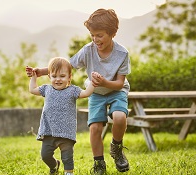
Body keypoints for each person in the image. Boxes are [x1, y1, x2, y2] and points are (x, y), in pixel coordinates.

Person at [26, 8, 131, 174]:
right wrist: (42, 71)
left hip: (116, 91)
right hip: (95, 92)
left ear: (112, 33)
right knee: (95, 128)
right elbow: (67, 65)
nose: (95, 39)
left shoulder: (122, 53)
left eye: (100, 35)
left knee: (119, 117)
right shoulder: (88, 50)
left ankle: (116, 148)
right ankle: (99, 163)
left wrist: (104, 82)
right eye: (92, 35)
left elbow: (119, 83)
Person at [29, 57, 95, 175]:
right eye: (54, 76)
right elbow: (32, 89)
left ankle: (68, 172)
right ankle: (54, 165)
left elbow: (86, 93)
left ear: (69, 77)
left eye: (62, 76)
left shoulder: (73, 90)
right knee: (45, 155)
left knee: (67, 157)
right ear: (49, 76)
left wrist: (93, 83)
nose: (58, 79)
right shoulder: (46, 89)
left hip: (66, 132)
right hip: (49, 131)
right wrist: (34, 77)